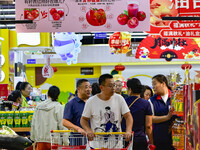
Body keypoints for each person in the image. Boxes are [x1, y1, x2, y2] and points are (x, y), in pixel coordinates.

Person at [80, 74, 133, 148]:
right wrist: (88, 130)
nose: (113, 88)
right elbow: (83, 120)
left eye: (114, 85)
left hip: (116, 146)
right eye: (110, 86)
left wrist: (128, 130)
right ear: (101, 87)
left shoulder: (119, 99)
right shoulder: (91, 101)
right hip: (96, 145)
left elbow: (128, 116)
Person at [31, 86, 67, 150]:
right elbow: (62, 125)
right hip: (54, 141)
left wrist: (33, 138)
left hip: (40, 140)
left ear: (48, 94)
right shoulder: (59, 107)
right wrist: (65, 141)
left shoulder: (39, 106)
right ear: (58, 95)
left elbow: (33, 123)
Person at [121, 78, 153, 150]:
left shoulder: (123, 102)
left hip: (125, 138)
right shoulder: (146, 104)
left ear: (130, 90)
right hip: (140, 139)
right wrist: (151, 141)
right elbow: (148, 125)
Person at [149, 74, 176, 150]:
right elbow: (150, 118)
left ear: (163, 84)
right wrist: (166, 117)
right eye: (152, 85)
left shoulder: (176, 96)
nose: (153, 87)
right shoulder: (151, 100)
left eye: (154, 84)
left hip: (176, 138)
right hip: (159, 139)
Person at [63, 79, 92, 145]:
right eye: (86, 87)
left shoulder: (92, 102)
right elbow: (64, 121)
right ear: (78, 89)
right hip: (77, 139)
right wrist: (78, 129)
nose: (89, 89)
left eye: (90, 87)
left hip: (92, 139)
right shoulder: (71, 104)